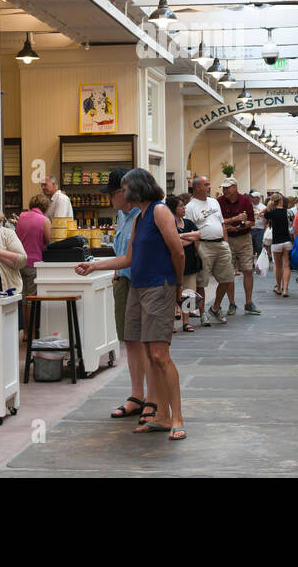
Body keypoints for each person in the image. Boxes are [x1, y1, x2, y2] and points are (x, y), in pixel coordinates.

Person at [77, 169, 187, 441]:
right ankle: (162, 416)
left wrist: (176, 284)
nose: (122, 193)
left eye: (125, 188)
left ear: (137, 187)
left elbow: (178, 251)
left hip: (158, 286)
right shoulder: (139, 217)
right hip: (138, 288)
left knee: (160, 355)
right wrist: (94, 266)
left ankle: (176, 417)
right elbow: (128, 258)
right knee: (149, 353)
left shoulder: (159, 211)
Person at [101, 169, 150, 422]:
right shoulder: (121, 215)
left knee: (150, 343)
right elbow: (122, 250)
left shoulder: (146, 214)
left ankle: (154, 399)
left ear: (124, 192)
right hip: (123, 280)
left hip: (144, 283)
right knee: (130, 340)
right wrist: (117, 274)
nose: (109, 199)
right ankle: (137, 395)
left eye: (111, 194)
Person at [184, 175, 233, 326]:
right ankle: (202, 313)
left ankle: (215, 307)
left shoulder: (214, 202)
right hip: (203, 245)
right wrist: (197, 248)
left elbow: (222, 222)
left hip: (220, 244)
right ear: (197, 187)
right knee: (202, 282)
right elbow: (190, 230)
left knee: (227, 278)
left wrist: (225, 240)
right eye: (206, 184)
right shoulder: (190, 207)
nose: (209, 187)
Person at [217, 178, 260, 316]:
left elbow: (251, 221)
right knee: (229, 272)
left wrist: (239, 226)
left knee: (248, 269)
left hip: (244, 238)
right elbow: (217, 221)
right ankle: (232, 303)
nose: (225, 190)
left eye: (227, 188)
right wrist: (234, 220)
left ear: (235, 187)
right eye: (223, 188)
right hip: (227, 239)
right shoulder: (219, 201)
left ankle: (248, 302)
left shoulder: (244, 200)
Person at [15, 193, 51, 337]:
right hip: (34, 263)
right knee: (32, 300)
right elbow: (49, 241)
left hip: (20, 262)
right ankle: (32, 332)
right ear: (45, 206)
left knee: (23, 299)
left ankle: (25, 332)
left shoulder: (21, 217)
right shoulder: (44, 220)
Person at [168, 193, 202, 332]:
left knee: (188, 293)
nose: (184, 208)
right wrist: (188, 239)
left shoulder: (188, 223)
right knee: (171, 294)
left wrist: (180, 236)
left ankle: (186, 322)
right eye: (181, 206)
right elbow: (174, 243)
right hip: (173, 264)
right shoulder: (169, 224)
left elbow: (198, 235)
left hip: (189, 263)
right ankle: (170, 324)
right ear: (174, 208)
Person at [265, 193, 293, 297]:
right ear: (281, 200)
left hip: (276, 242)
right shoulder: (288, 212)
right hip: (287, 241)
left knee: (278, 265)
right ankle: (285, 289)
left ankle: (278, 287)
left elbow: (263, 214)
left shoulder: (271, 213)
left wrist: (270, 205)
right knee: (286, 265)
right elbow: (291, 225)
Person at [250, 190, 267, 259]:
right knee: (250, 248)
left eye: (253, 197)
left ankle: (260, 262)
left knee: (259, 247)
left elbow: (266, 219)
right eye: (251, 197)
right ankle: (251, 263)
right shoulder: (249, 206)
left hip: (260, 230)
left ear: (258, 198)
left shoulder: (263, 207)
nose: (252, 198)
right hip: (251, 229)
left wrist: (265, 229)